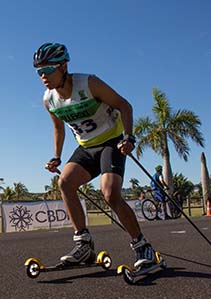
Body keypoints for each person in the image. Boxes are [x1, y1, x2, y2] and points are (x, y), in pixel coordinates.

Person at [33, 42, 156, 269]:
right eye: (39, 71)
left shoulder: (89, 83)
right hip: (87, 147)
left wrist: (129, 138)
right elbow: (59, 128)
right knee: (65, 182)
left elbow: (124, 106)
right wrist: (57, 156)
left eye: (49, 69)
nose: (43, 75)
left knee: (110, 194)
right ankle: (84, 245)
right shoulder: (48, 99)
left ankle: (143, 248)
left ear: (63, 66)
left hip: (111, 142)